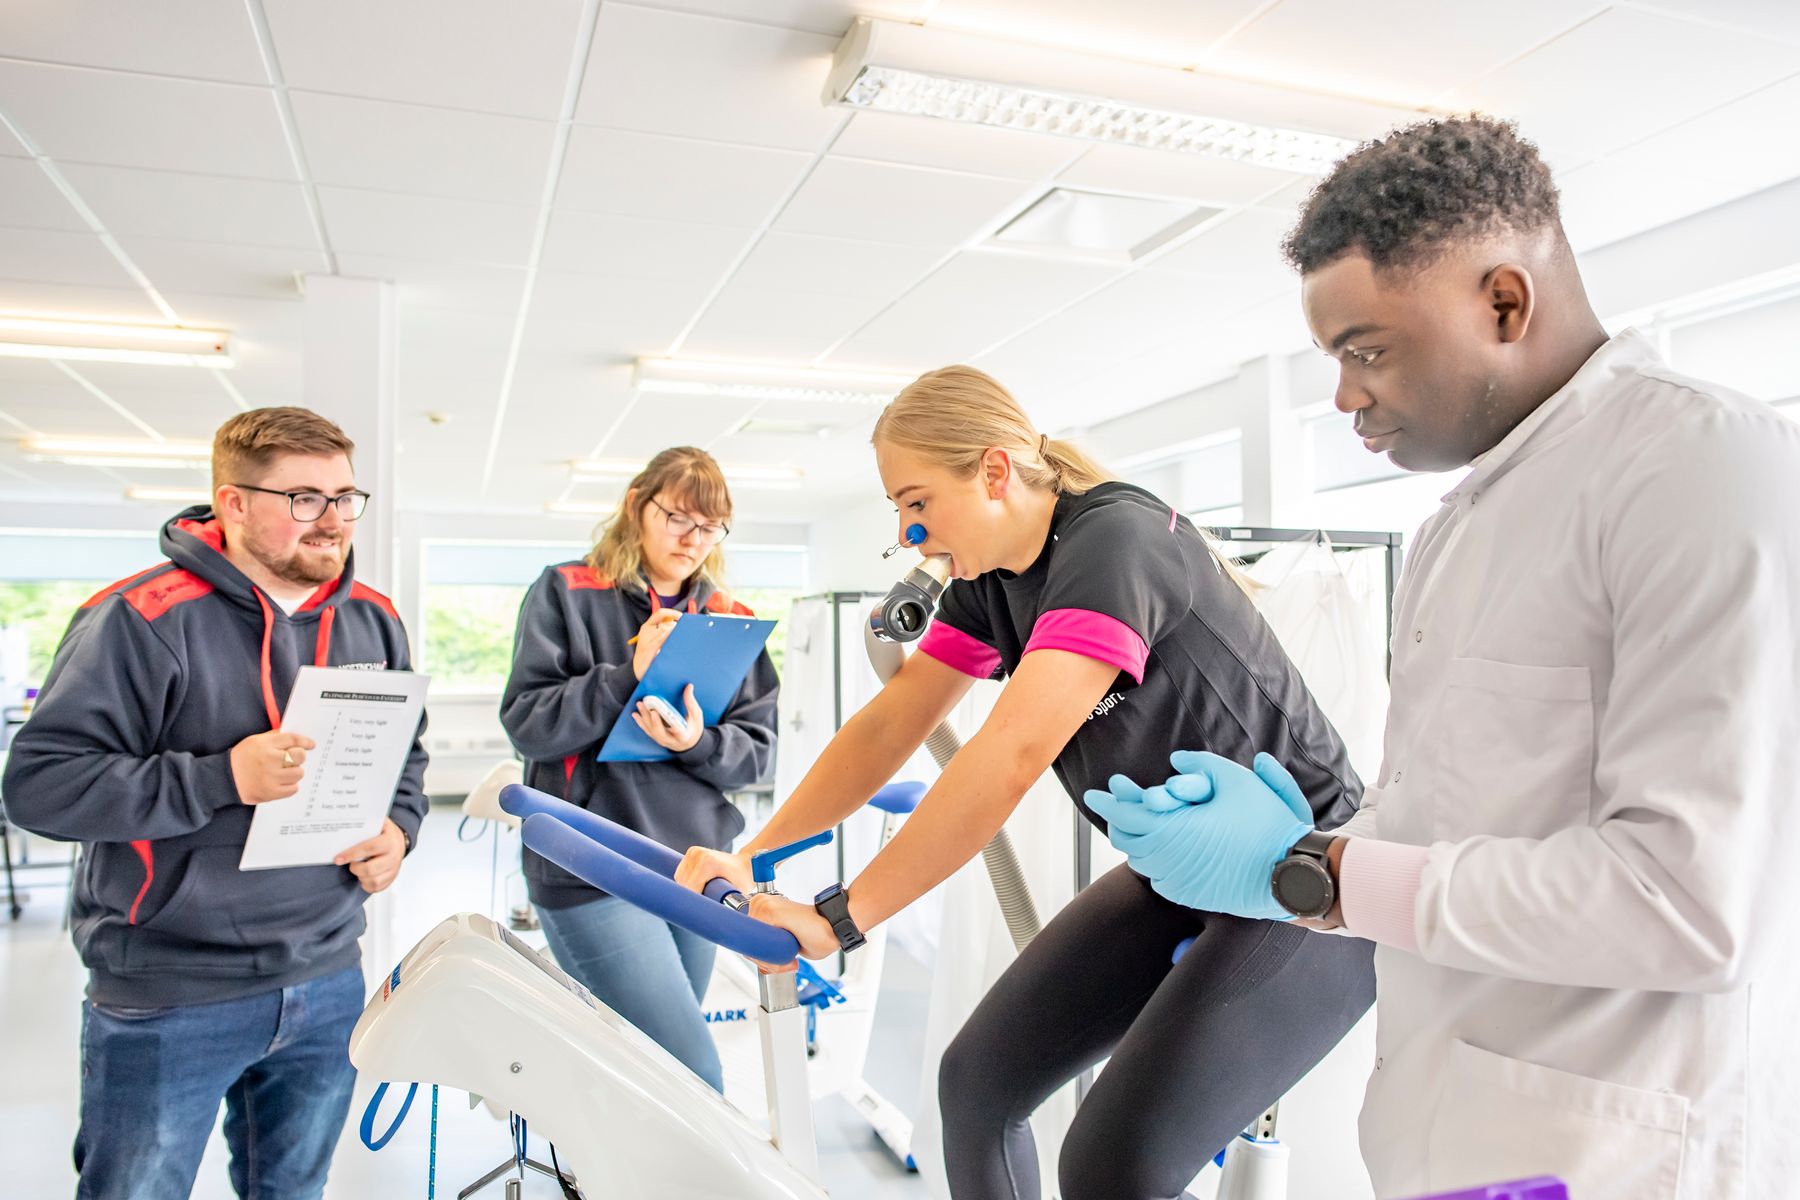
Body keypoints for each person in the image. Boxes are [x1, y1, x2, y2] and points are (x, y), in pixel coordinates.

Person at [1089, 115, 1800, 1199]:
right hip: (1457, 1124)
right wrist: (1324, 846)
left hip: (1611, 1148)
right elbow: (1479, 821)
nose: (1344, 397)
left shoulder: (1701, 466)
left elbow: (1687, 902)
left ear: (1504, 302)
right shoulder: (1463, 519)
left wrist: (1315, 876)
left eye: (1366, 349)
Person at [676, 367, 1375, 1200]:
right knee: (976, 1087)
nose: (908, 534)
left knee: (1113, 1163)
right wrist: (755, 855)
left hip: (1308, 882)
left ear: (996, 472)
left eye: (918, 502)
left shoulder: (1115, 542)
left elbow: (1007, 757)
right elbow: (890, 722)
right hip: (1187, 874)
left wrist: (841, 916)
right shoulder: (990, 585)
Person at [2, 407, 429, 1200]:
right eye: (304, 498)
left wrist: (400, 827)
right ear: (232, 504)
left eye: (344, 496)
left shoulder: (373, 616)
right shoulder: (138, 619)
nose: (332, 519)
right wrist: (218, 779)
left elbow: (407, 753)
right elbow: (42, 786)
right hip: (171, 986)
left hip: (326, 970)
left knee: (292, 1192)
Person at [500, 446, 777, 1091]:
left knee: (643, 1072)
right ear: (637, 506)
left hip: (699, 865)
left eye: (710, 528)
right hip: (594, 861)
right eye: (679, 517)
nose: (692, 540)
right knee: (691, 1073)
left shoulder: (730, 620)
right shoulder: (566, 592)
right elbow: (528, 722)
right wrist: (628, 676)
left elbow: (759, 755)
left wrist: (696, 742)